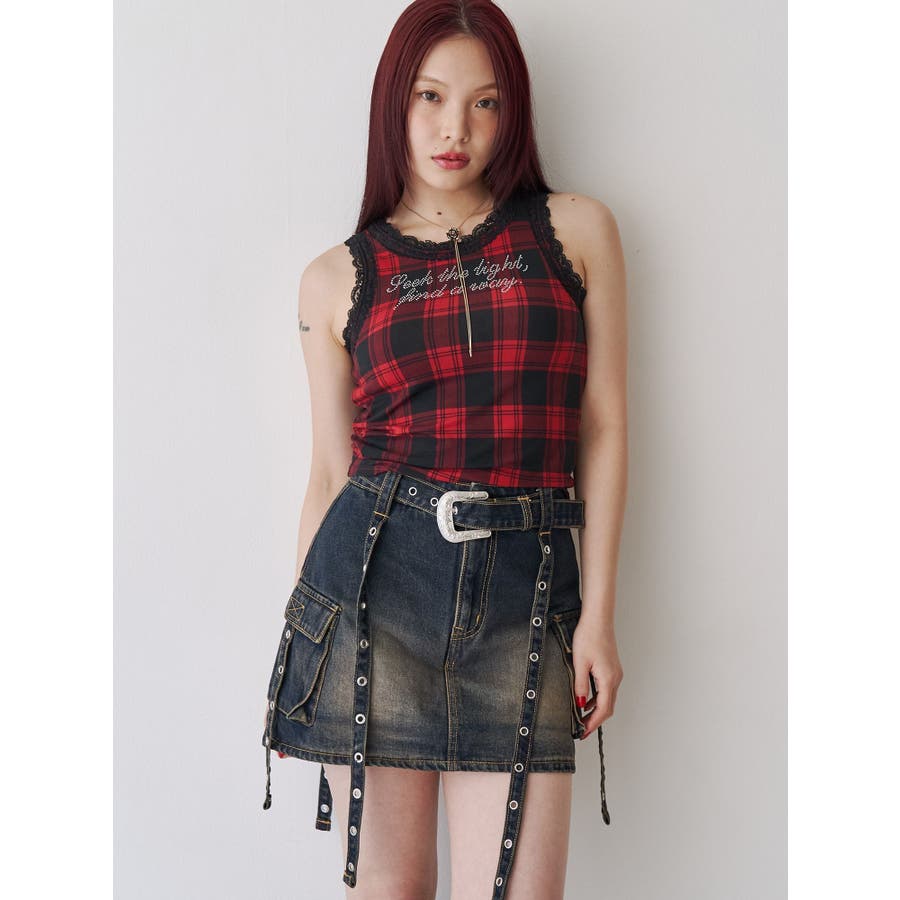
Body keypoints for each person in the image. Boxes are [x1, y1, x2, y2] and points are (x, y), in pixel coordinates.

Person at [261, 1, 627, 897]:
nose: (454, 128)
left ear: (513, 112)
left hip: (526, 602)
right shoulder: (335, 277)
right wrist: (308, 643)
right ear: (395, 100)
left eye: (484, 102)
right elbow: (331, 472)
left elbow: (604, 424)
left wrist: (599, 617)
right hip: (372, 600)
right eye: (430, 96)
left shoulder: (574, 232)